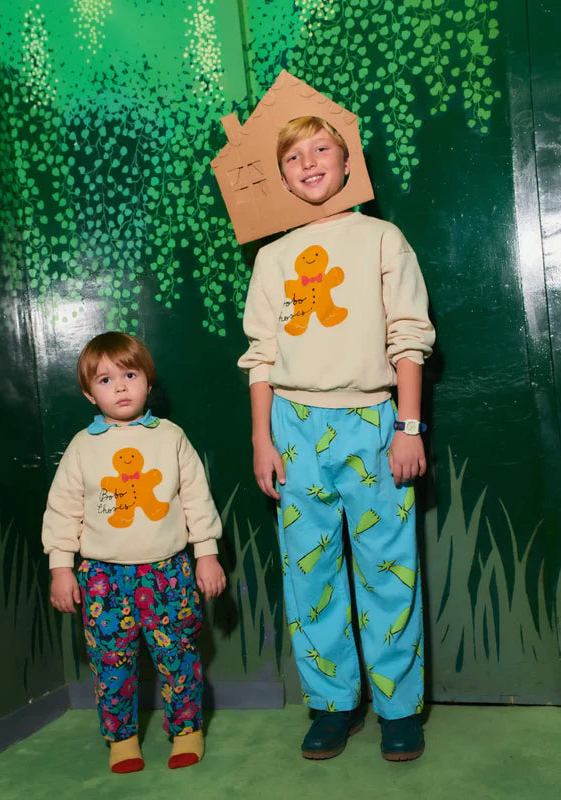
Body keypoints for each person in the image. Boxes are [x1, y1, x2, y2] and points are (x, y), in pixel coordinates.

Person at [237, 116, 435, 762]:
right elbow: (260, 356)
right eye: (294, 156)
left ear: (348, 164)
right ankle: (332, 704)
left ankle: (398, 709)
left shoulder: (382, 239)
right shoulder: (272, 257)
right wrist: (263, 440)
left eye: (322, 149)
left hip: (373, 422)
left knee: (387, 570)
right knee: (309, 571)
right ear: (285, 178)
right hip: (294, 426)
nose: (310, 161)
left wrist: (407, 427)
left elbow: (409, 336)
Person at [42, 331, 226, 774]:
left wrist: (207, 553)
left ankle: (186, 730)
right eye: (106, 380)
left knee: (177, 652)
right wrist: (60, 568)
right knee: (111, 661)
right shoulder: (83, 447)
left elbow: (196, 498)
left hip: (168, 572)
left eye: (129, 374)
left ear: (148, 381)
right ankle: (121, 739)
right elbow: (63, 511)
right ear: (89, 393)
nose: (120, 387)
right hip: (103, 577)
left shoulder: (170, 437)